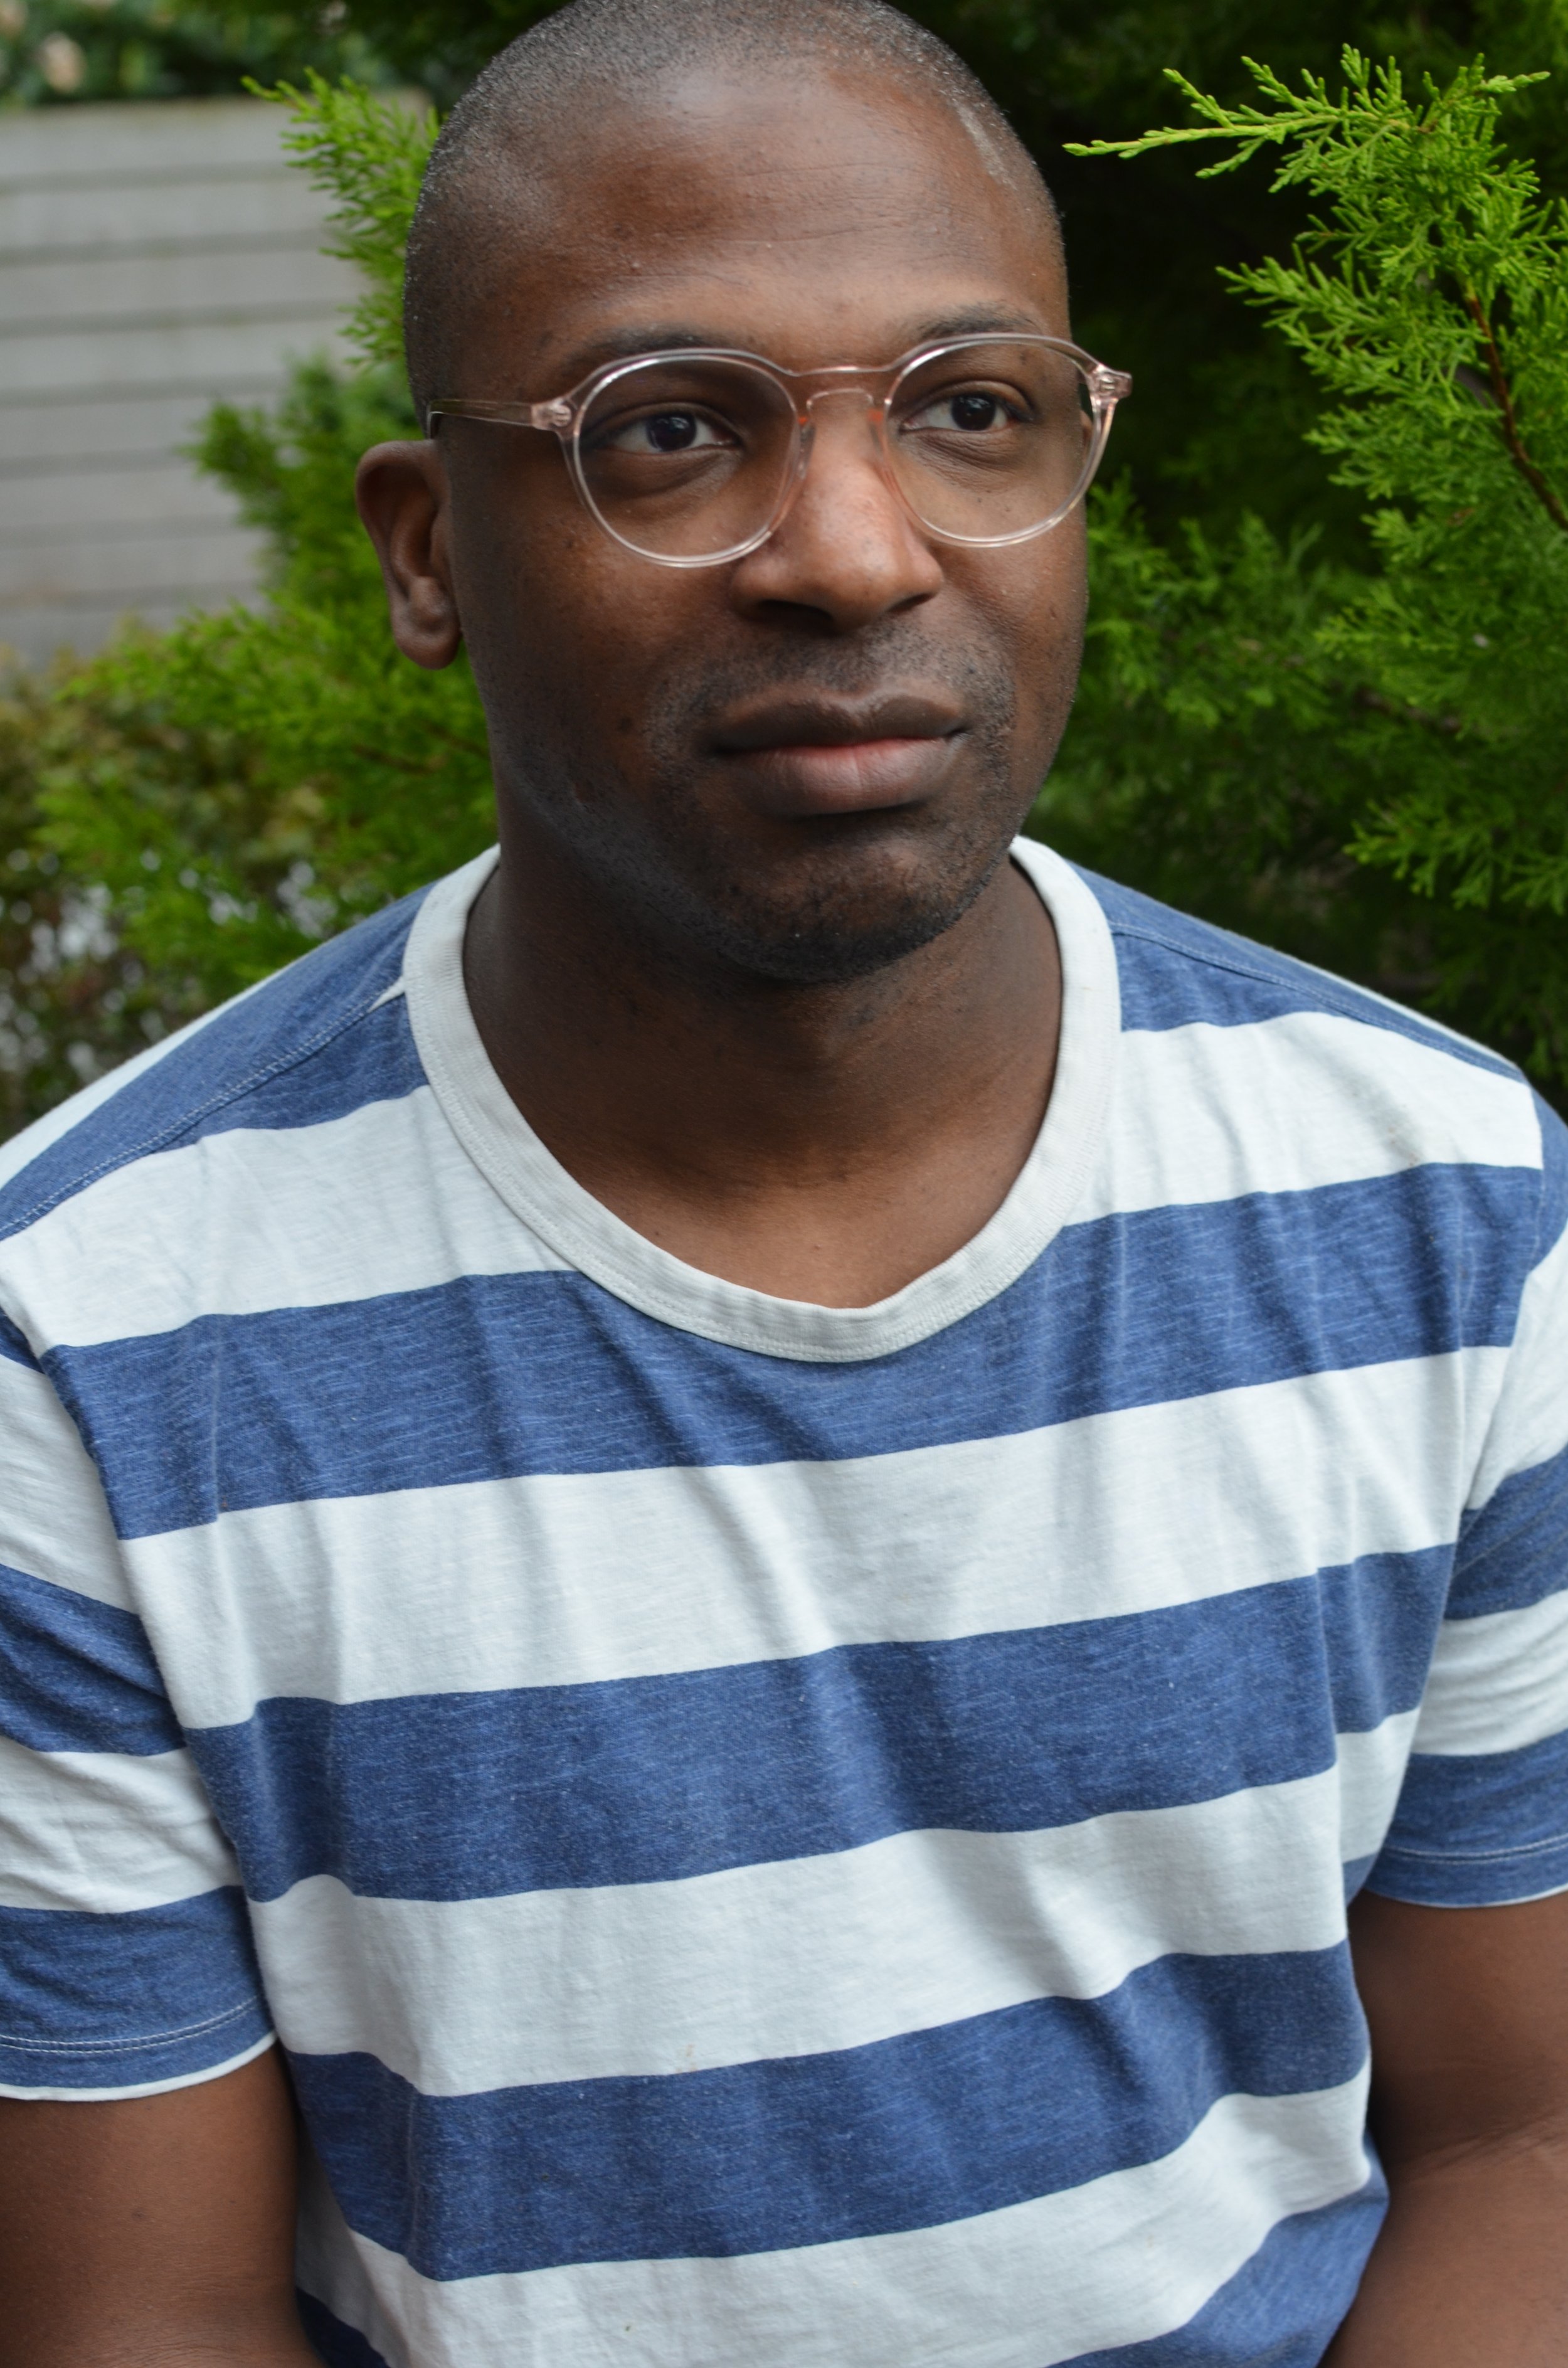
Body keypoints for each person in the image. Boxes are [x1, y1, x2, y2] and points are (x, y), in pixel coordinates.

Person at [2, 0, 1566, 2360]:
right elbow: (148, 2321)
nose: (850, 553)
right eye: (670, 432)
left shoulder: (1444, 1208)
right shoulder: (94, 1340)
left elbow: (1514, 2148)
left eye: (968, 411)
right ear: (427, 556)